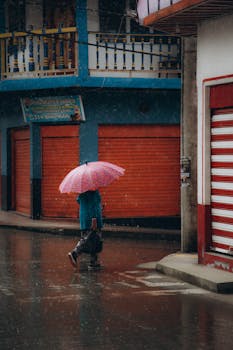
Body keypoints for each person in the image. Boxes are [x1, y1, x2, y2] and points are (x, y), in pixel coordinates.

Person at [68, 190, 103, 270]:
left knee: (91, 240)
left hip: (84, 219)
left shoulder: (82, 193)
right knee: (92, 239)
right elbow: (94, 205)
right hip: (93, 219)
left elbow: (79, 201)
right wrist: (94, 220)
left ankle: (93, 262)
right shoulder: (94, 192)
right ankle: (75, 254)